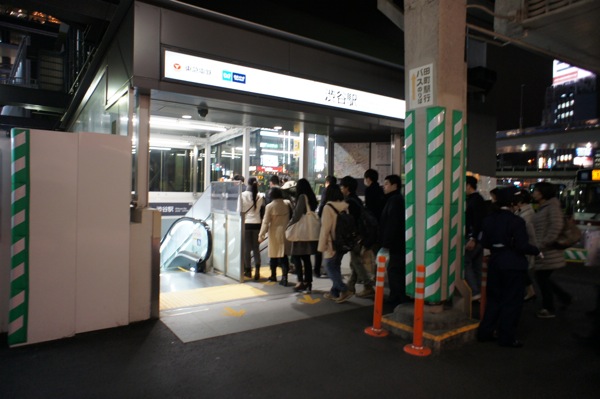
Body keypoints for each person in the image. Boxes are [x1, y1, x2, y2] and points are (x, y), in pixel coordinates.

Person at [477, 187, 540, 348]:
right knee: (511, 302)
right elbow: (522, 246)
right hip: (513, 264)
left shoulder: (489, 219)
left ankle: (485, 333)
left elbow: (484, 242)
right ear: (513, 203)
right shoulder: (517, 221)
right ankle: (506, 338)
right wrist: (536, 251)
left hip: (495, 262)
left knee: (494, 300)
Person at [532, 182, 572, 318]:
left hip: (549, 250)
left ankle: (549, 308)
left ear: (543, 192)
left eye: (536, 191)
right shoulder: (545, 207)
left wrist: (543, 243)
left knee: (542, 278)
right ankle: (564, 298)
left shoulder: (552, 207)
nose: (534, 193)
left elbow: (556, 226)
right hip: (545, 250)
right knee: (544, 278)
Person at [318, 183, 354, 303]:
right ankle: (334, 292)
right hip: (342, 242)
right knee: (336, 266)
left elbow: (325, 229)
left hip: (331, 243)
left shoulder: (328, 207)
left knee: (329, 267)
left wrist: (322, 246)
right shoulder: (344, 206)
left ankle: (344, 290)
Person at [340, 176, 374, 298]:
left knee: (356, 261)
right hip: (361, 235)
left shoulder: (349, 202)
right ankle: (351, 286)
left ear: (347, 188)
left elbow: (350, 222)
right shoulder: (357, 200)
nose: (341, 189)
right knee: (355, 261)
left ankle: (368, 285)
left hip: (356, 236)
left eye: (342, 187)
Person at [379, 174, 408, 307]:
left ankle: (397, 299)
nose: (384, 186)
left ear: (394, 186)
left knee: (394, 271)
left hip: (396, 244)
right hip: (398, 243)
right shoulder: (395, 199)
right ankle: (396, 297)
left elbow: (392, 224)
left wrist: (386, 244)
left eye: (386, 184)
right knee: (395, 270)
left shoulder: (395, 201)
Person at [287, 178, 319, 293]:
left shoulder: (301, 197)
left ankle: (300, 281)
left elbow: (297, 215)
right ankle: (308, 282)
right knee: (306, 258)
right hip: (307, 233)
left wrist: (289, 225)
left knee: (296, 256)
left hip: (300, 233)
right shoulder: (311, 197)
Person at [259, 187, 292, 286]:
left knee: (273, 255)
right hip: (285, 232)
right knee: (284, 256)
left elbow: (265, 222)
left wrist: (261, 235)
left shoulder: (270, 206)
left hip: (274, 233)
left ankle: (273, 275)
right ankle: (285, 278)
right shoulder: (287, 203)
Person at [513, 188, 537, 301]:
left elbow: (530, 233)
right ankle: (530, 291)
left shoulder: (526, 214)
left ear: (520, 202)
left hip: (525, 246)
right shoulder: (524, 212)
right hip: (525, 246)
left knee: (521, 270)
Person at [465, 175, 486, 301]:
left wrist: (473, 238)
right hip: (479, 239)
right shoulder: (478, 199)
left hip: (473, 238)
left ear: (468, 185)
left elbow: (477, 221)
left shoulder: (474, 200)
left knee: (465, 263)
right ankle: (479, 293)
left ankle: (475, 291)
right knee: (477, 266)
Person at [240, 177, 265, 280]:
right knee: (256, 248)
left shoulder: (243, 195)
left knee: (246, 249)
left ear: (248, 183)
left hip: (246, 224)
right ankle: (258, 271)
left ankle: (248, 271)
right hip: (257, 224)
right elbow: (262, 212)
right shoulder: (260, 196)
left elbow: (239, 210)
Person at [363, 169, 385, 274]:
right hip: (380, 223)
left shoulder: (369, 190)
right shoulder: (381, 189)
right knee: (378, 251)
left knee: (369, 250)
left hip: (372, 224)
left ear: (368, 179)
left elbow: (368, 208)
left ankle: (373, 275)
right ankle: (378, 273)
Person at [314, 175, 337, 277]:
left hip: (325, 221)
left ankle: (318, 270)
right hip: (336, 225)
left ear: (327, 182)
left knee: (321, 247)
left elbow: (322, 205)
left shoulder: (326, 191)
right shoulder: (338, 192)